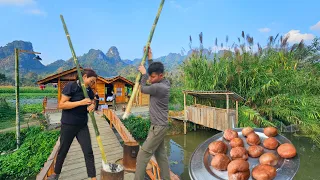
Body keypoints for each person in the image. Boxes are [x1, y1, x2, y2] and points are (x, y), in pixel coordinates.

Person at [48, 68, 98, 180]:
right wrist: (81, 102)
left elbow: (92, 102)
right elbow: (61, 105)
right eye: (92, 80)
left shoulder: (89, 91)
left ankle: (93, 177)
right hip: (68, 125)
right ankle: (56, 173)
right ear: (84, 77)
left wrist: (92, 106)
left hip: (82, 125)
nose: (93, 83)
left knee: (88, 151)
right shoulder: (71, 86)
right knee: (63, 150)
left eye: (94, 82)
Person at [134, 47, 171, 180]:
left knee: (143, 154)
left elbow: (142, 88)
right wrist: (150, 58)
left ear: (161, 76)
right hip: (158, 125)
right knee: (161, 156)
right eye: (150, 75)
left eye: (153, 76)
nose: (150, 78)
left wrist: (144, 75)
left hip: (158, 127)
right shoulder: (164, 82)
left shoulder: (158, 87)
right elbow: (154, 72)